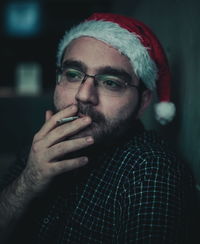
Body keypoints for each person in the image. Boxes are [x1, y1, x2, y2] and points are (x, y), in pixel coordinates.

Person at [0, 13, 195, 243]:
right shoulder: (45, 143)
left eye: (110, 82)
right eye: (73, 75)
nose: (84, 95)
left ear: (143, 102)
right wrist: (29, 181)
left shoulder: (149, 169)